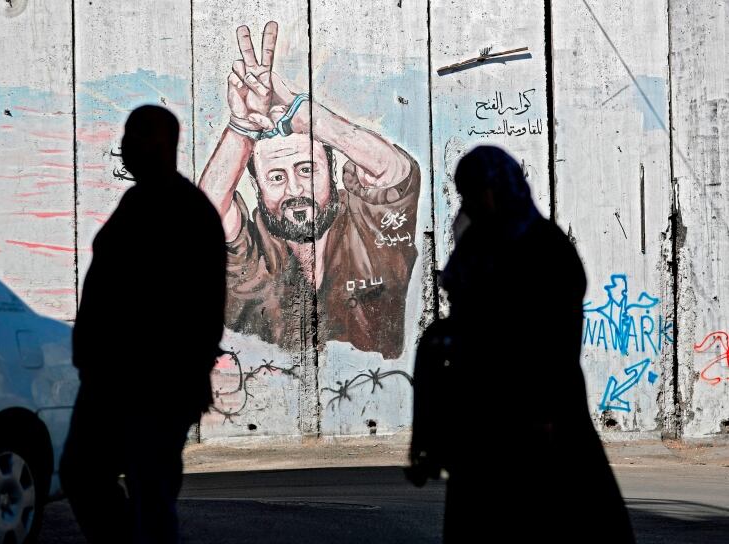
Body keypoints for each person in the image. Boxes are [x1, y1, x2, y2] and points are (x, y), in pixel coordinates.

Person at [407, 145, 635, 543]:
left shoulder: (544, 247)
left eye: (482, 191)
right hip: (482, 415)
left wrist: (545, 411)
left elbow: (557, 340)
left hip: (539, 411)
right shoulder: (477, 240)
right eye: (469, 194)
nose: (477, 202)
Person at [199, 21, 420, 359]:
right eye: (276, 177)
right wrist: (242, 126)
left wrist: (306, 113)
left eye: (307, 169)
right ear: (256, 186)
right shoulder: (250, 248)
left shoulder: (368, 227)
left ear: (331, 172)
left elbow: (395, 172)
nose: (295, 189)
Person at [60, 105, 226, 543]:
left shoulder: (185, 212)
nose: (125, 147)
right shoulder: (141, 201)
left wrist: (183, 380)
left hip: (152, 385)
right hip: (113, 381)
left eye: (136, 136)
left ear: (161, 144)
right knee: (88, 474)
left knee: (146, 492)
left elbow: (203, 311)